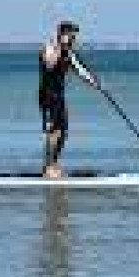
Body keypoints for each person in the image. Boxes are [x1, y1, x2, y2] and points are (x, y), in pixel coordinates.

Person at [38, 21, 99, 177]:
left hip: (59, 95)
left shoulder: (69, 52)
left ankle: (54, 163)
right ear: (61, 34)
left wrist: (94, 83)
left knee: (64, 132)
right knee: (54, 131)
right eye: (71, 36)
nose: (73, 40)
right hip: (47, 95)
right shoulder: (49, 47)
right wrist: (60, 48)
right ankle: (48, 167)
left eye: (74, 37)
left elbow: (80, 71)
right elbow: (49, 64)